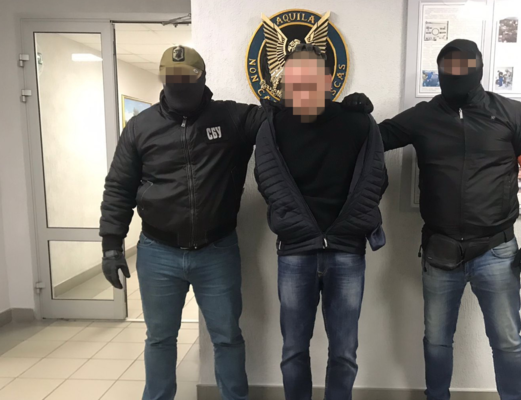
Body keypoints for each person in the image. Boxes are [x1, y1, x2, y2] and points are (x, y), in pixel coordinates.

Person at [99, 45, 369, 400]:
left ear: (203, 78)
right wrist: (111, 243)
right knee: (160, 339)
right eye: (172, 77)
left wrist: (345, 108)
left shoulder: (230, 118)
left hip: (216, 249)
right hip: (157, 251)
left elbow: (283, 118)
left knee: (227, 338)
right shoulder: (140, 127)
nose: (180, 83)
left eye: (188, 77)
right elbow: (119, 187)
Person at [344, 39, 521, 400]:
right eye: (449, 68)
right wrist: (353, 116)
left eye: (464, 67)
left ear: (479, 69)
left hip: (496, 251)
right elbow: (372, 140)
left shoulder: (513, 114)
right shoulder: (423, 117)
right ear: (439, 72)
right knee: (437, 340)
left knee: (507, 340)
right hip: (440, 251)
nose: (456, 75)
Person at [254, 44, 388, 400]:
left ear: (328, 80)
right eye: (294, 82)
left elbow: (376, 177)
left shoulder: (358, 122)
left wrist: (350, 225)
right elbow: (265, 178)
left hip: (346, 251)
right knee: (293, 351)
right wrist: (295, 224)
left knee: (344, 353)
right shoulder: (274, 125)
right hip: (295, 251)